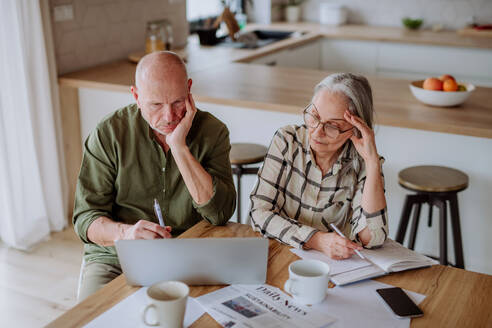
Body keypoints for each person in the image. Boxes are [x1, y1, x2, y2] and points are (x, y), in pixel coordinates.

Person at [73, 51, 236, 300]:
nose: (169, 117)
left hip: (186, 254)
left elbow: (220, 213)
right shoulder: (109, 133)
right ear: (136, 96)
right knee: (93, 318)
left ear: (189, 89)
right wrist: (125, 234)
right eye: (156, 105)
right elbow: (85, 219)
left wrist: (180, 147)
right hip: (117, 258)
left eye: (178, 102)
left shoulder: (213, 132)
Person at [249, 73, 388, 260]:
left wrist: (372, 163)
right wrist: (316, 240)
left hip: (331, 266)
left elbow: (372, 239)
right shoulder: (287, 141)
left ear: (354, 129)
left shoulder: (363, 162)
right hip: (275, 252)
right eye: (313, 116)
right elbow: (258, 212)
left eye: (332, 126)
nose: (317, 131)